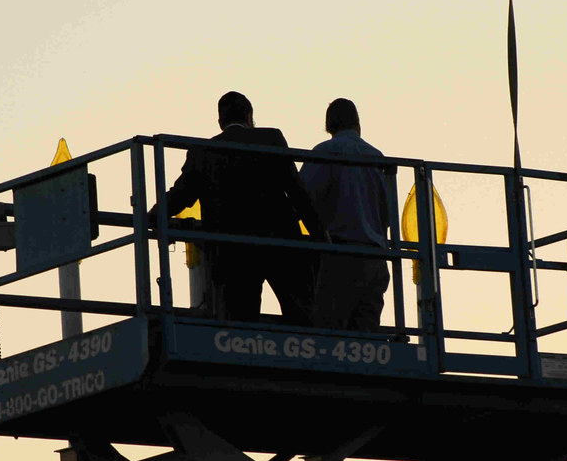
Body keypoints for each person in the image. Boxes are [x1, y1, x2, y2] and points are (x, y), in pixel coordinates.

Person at [151, 91, 325, 325]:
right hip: (280, 243)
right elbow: (297, 192)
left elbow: (180, 196)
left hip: (233, 252)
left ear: (220, 121)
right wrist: (320, 234)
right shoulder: (271, 139)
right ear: (250, 117)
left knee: (241, 322)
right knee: (301, 314)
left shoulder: (203, 151)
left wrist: (152, 215)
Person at [300, 98, 390, 331]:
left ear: (329, 126)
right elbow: (386, 214)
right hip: (376, 259)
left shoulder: (324, 152)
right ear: (357, 124)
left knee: (330, 336)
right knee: (366, 341)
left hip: (341, 256)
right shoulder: (378, 157)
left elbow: (303, 200)